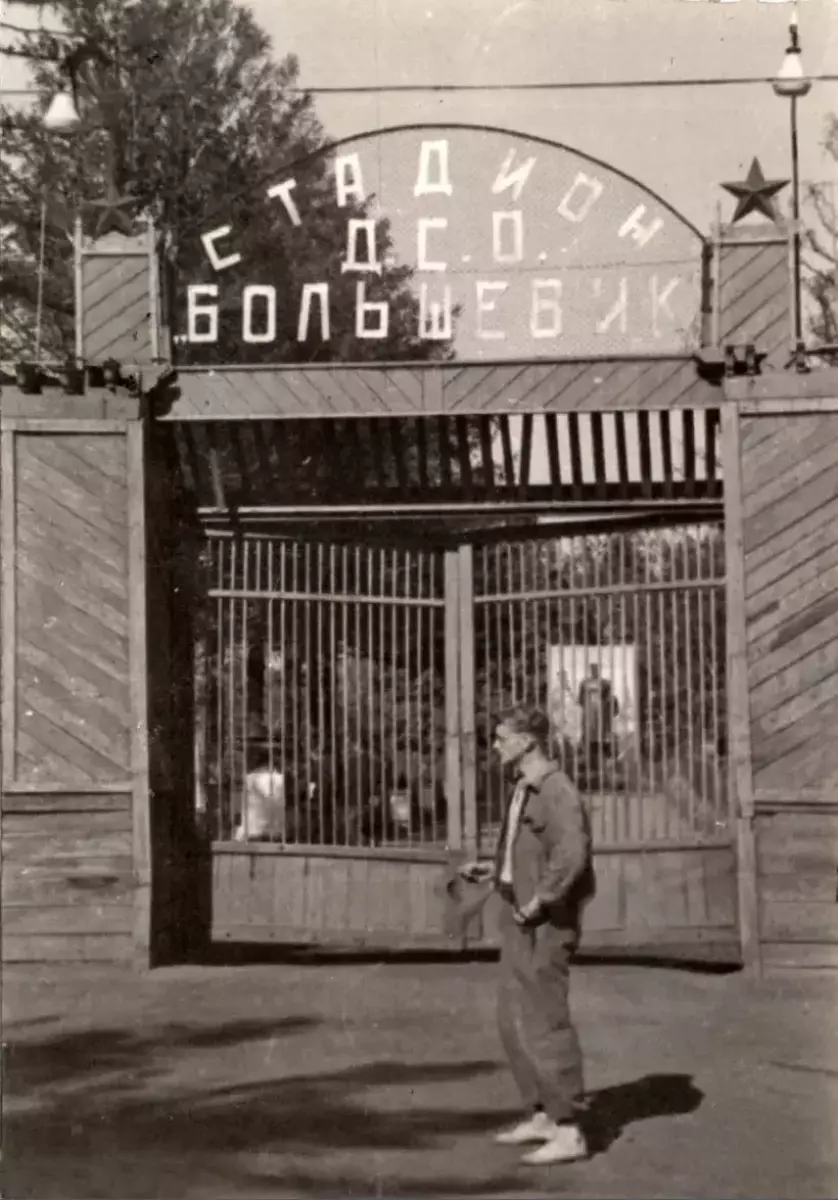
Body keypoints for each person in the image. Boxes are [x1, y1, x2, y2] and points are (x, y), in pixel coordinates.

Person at [456, 705, 596, 1166]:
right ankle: (542, 1114)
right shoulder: (522, 786)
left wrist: (541, 901)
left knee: (544, 1019)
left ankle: (570, 1129)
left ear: (527, 741)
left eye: (502, 738)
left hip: (545, 923)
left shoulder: (556, 790)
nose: (495, 745)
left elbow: (571, 854)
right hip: (519, 917)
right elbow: (529, 850)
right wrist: (495, 870)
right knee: (513, 1017)